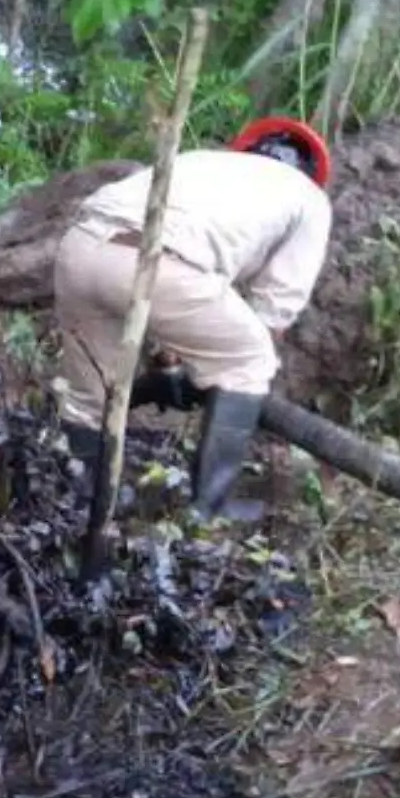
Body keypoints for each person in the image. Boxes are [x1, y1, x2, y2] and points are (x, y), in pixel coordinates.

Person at [51, 116, 335, 521]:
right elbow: (275, 307)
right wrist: (222, 375)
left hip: (80, 245)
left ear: (249, 149)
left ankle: (85, 501)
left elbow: (180, 253)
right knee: (248, 361)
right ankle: (209, 511)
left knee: (90, 395)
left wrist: (176, 360)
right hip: (158, 262)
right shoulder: (308, 198)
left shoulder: (203, 161)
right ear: (310, 172)